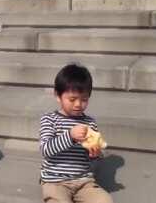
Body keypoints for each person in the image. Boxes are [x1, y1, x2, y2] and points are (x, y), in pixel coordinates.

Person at [39, 64, 113, 203]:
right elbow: (45, 150)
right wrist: (70, 136)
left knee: (105, 201)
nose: (78, 104)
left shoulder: (89, 122)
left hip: (84, 181)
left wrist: (96, 154)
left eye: (84, 99)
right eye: (72, 99)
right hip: (55, 181)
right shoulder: (49, 119)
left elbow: (93, 158)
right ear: (58, 95)